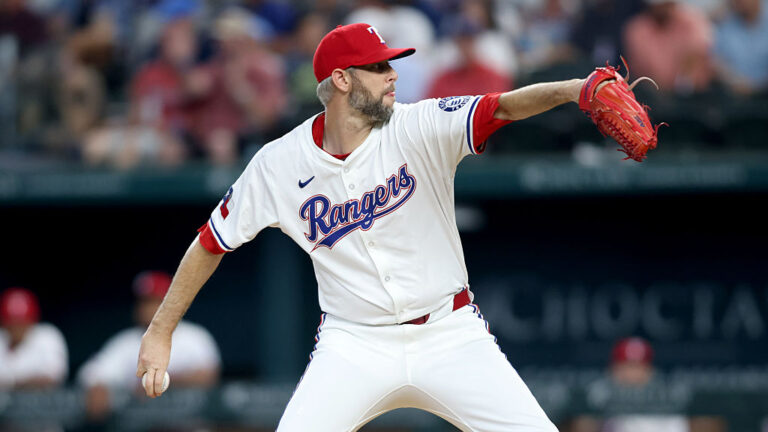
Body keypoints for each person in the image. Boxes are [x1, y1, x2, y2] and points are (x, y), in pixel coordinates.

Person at [137, 22, 587, 431]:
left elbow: (502, 108)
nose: (392, 74)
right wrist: (160, 330)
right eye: (377, 66)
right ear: (341, 79)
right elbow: (210, 243)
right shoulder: (278, 163)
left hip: (449, 332)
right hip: (354, 343)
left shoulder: (419, 124)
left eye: (391, 64)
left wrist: (573, 89)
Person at [78, 271, 220, 421]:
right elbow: (92, 374)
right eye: (143, 302)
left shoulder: (193, 337)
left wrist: (161, 382)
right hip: (142, 423)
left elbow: (209, 375)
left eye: (153, 301)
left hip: (189, 422)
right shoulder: (125, 343)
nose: (146, 308)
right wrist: (97, 387)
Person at [0, 287, 68, 389]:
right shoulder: (2, 339)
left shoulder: (47, 336)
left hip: (44, 403)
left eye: (22, 322)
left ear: (33, 320)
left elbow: (53, 377)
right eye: (11, 322)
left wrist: (11, 383)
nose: (16, 327)